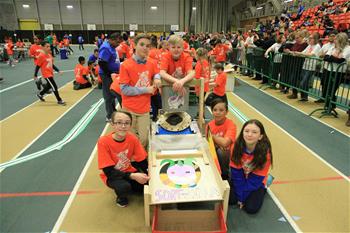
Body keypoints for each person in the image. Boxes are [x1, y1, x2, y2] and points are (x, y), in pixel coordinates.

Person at [98, 110, 149, 207]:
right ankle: (121, 197)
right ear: (112, 124)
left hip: (128, 170)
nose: (123, 126)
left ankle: (132, 186)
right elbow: (109, 171)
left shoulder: (132, 139)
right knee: (124, 187)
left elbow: (141, 160)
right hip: (112, 175)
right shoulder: (103, 142)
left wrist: (149, 173)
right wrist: (133, 176)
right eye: (119, 122)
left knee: (145, 186)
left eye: (127, 123)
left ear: (130, 126)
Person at [119, 33, 161, 148]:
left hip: (144, 109)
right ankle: (134, 163)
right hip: (129, 109)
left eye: (148, 46)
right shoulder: (125, 65)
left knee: (144, 139)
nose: (145, 48)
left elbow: (157, 72)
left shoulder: (151, 62)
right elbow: (124, 90)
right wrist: (146, 90)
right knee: (131, 140)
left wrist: (157, 78)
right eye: (142, 45)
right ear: (134, 45)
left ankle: (141, 160)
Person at [229, 119, 273, 214]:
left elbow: (255, 180)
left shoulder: (265, 154)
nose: (249, 135)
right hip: (241, 176)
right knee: (231, 200)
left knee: (251, 208)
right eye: (246, 131)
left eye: (254, 132)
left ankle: (266, 182)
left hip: (256, 180)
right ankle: (242, 195)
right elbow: (236, 175)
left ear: (260, 136)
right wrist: (240, 197)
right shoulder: (236, 147)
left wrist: (242, 198)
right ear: (242, 132)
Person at [206, 98, 237, 180]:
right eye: (215, 110)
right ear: (212, 111)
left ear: (226, 112)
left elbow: (225, 143)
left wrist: (213, 137)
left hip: (228, 154)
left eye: (221, 110)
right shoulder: (209, 125)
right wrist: (217, 144)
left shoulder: (231, 125)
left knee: (222, 151)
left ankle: (225, 175)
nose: (218, 113)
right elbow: (207, 142)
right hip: (215, 150)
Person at [98, 32, 123, 122]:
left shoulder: (112, 47)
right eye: (117, 42)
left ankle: (113, 111)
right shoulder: (106, 48)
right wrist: (110, 73)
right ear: (111, 40)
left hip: (113, 74)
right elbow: (101, 63)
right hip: (107, 74)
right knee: (109, 95)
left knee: (113, 93)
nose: (118, 45)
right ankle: (109, 115)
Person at [34, 41, 66, 106]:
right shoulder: (41, 56)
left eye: (49, 46)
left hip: (50, 73)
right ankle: (59, 100)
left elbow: (52, 65)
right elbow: (38, 66)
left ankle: (40, 94)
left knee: (48, 86)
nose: (49, 48)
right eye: (47, 46)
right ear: (43, 47)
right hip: (46, 74)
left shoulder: (49, 55)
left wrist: (58, 71)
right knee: (54, 86)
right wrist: (35, 74)